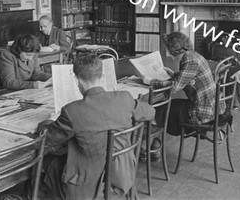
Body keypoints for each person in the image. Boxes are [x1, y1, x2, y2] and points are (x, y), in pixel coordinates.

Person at [38, 54, 155, 200]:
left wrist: (47, 122)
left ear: (76, 79)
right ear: (102, 75)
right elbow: (151, 112)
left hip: (87, 186)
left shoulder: (72, 110)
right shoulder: (124, 98)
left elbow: (47, 138)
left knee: (50, 163)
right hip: (123, 176)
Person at [147, 32, 224, 136]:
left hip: (205, 111)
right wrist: (174, 74)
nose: (168, 53)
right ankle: (155, 145)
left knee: (159, 108)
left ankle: (148, 144)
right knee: (166, 106)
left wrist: (151, 82)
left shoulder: (189, 60)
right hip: (213, 106)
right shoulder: (193, 55)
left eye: (168, 49)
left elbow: (174, 88)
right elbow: (190, 78)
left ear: (174, 49)